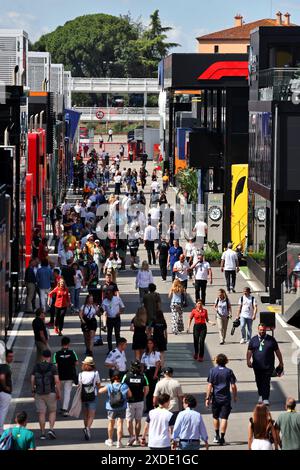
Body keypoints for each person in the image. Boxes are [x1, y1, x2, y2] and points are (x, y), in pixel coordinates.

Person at [247, 324, 284, 405]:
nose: (262, 331)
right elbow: (249, 351)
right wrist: (248, 360)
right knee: (258, 381)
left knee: (266, 382)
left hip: (268, 365)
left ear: (266, 330)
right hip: (257, 366)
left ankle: (266, 398)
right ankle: (260, 395)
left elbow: (277, 352)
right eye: (260, 329)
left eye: (263, 330)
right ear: (258, 329)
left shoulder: (271, 339)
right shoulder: (253, 340)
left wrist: (281, 362)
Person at [206, 353, 237, 446]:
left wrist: (207, 397)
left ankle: (216, 436)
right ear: (226, 361)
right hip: (226, 398)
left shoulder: (212, 371)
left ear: (216, 361)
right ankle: (222, 437)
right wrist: (235, 395)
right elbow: (233, 385)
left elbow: (209, 385)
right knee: (224, 418)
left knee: (215, 417)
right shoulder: (229, 371)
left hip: (215, 398)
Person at [31, 349, 60, 440]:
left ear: (42, 356)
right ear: (50, 357)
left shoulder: (36, 366)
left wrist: (33, 390)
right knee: (52, 411)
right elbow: (57, 381)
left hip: (39, 393)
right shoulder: (53, 367)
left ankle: (42, 433)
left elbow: (32, 379)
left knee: (41, 413)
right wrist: (58, 392)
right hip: (51, 392)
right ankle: (51, 429)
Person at [99, 371, 132, 448]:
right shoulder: (125, 386)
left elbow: (100, 391)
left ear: (113, 378)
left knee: (111, 423)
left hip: (111, 407)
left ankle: (110, 440)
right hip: (122, 407)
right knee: (120, 424)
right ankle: (119, 442)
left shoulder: (110, 386)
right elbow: (130, 395)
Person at [122, 361, 149, 447]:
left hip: (129, 402)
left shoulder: (126, 376)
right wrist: (142, 396)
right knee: (138, 420)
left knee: (129, 420)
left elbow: (122, 387)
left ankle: (131, 436)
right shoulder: (143, 377)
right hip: (140, 401)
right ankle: (137, 438)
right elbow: (147, 389)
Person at [53, 337, 78, 417]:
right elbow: (76, 362)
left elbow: (55, 365)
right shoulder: (72, 352)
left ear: (61, 343)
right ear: (68, 344)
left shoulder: (56, 354)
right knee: (67, 392)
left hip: (59, 376)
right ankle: (65, 409)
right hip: (70, 376)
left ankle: (62, 407)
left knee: (60, 392)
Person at [78, 357, 101, 441]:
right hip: (92, 395)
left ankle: (85, 427)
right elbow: (98, 384)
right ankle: (88, 428)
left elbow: (79, 386)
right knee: (91, 415)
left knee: (85, 415)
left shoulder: (81, 374)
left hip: (83, 396)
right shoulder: (95, 373)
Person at [141, 338, 161, 414]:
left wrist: (155, 374)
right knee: (147, 390)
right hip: (146, 371)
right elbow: (142, 364)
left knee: (153, 390)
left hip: (153, 371)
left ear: (153, 344)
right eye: (148, 343)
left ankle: (154, 406)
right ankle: (148, 407)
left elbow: (158, 365)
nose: (149, 345)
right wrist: (142, 373)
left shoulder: (156, 353)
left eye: (151, 343)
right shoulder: (145, 353)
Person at [0, 349, 14, 435]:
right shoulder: (5, 366)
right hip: (4, 393)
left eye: (12, 356)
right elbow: (2, 377)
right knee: (3, 411)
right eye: (9, 356)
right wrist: (5, 387)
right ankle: (0, 430)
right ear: (5, 357)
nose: (11, 358)